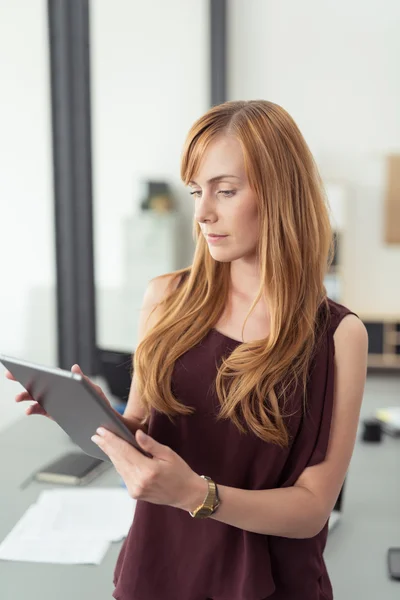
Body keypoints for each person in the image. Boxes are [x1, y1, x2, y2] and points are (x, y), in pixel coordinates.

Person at [8, 100, 368, 600]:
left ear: (282, 193)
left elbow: (311, 509)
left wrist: (198, 496)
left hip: (270, 587)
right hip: (157, 574)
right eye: (197, 191)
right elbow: (141, 434)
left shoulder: (337, 335)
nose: (202, 212)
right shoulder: (166, 299)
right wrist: (91, 416)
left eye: (225, 190)